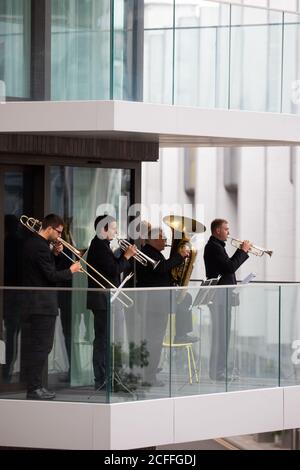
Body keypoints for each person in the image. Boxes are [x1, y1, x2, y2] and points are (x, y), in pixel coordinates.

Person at [22, 214, 82, 400]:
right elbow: (51, 276)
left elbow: (46, 269)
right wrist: (71, 271)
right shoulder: (39, 247)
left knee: (39, 347)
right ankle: (34, 388)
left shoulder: (35, 244)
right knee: (42, 347)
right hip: (41, 304)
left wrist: (55, 254)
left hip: (36, 303)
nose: (59, 236)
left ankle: (35, 386)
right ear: (49, 228)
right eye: (58, 232)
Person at [136, 227, 196, 386]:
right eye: (163, 238)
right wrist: (179, 256)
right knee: (154, 341)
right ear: (154, 239)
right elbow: (160, 268)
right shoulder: (148, 253)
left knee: (155, 340)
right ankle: (148, 377)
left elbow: (163, 270)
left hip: (157, 303)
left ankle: (149, 374)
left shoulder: (154, 252)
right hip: (154, 305)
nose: (166, 241)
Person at [86, 215, 137, 391]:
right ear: (103, 230)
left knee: (110, 340)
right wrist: (127, 256)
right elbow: (114, 269)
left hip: (109, 299)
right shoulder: (99, 246)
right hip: (103, 300)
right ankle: (103, 379)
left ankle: (112, 378)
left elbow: (115, 269)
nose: (116, 232)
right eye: (114, 228)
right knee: (104, 341)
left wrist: (124, 256)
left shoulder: (104, 246)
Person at [203, 218, 251, 381]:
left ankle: (221, 370)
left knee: (224, 337)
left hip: (224, 297)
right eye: (226, 229)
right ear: (217, 230)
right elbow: (230, 267)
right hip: (218, 298)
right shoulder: (213, 247)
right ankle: (218, 372)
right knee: (220, 337)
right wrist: (242, 251)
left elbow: (227, 270)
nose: (229, 232)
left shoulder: (217, 247)